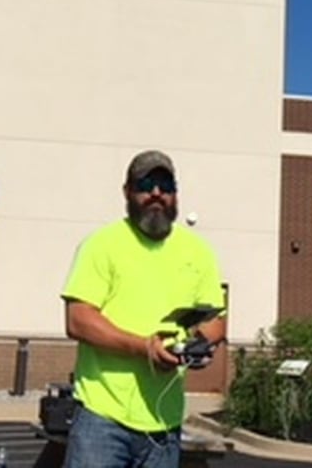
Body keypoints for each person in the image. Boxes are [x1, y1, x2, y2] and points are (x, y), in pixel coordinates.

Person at [61, 150, 227, 468]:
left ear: (175, 193)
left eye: (165, 185)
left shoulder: (198, 252)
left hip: (164, 425)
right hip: (102, 419)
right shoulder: (102, 244)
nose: (156, 193)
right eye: (146, 184)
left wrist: (197, 346)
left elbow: (215, 321)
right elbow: (78, 320)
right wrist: (143, 347)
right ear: (127, 191)